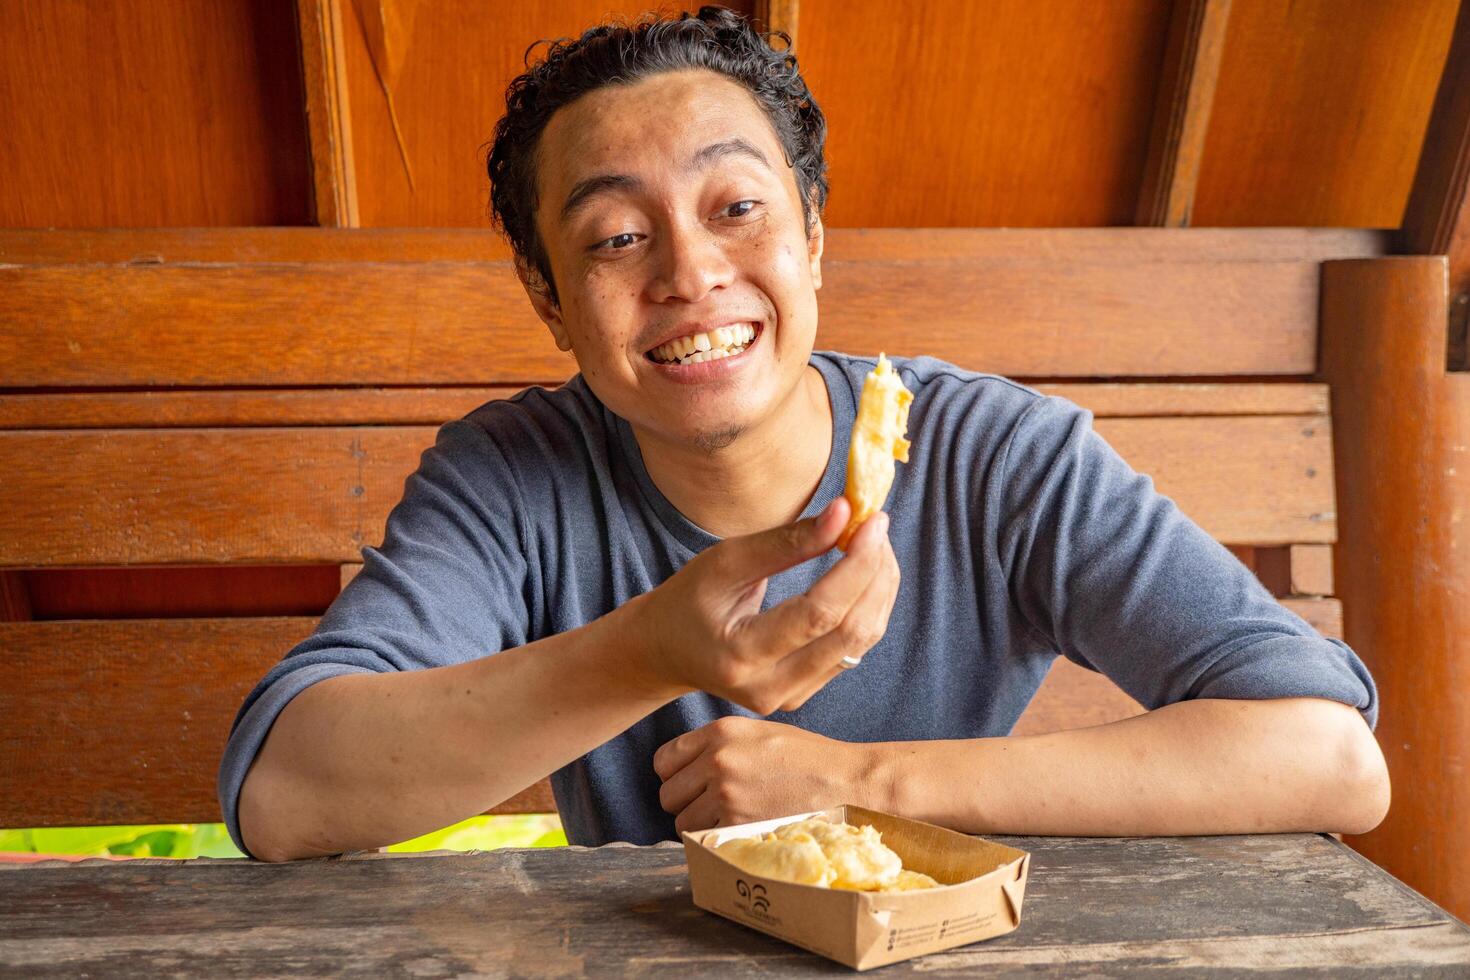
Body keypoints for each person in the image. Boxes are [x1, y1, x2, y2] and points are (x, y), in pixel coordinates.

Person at [220, 6, 1388, 863]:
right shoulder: (512, 478)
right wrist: (649, 652)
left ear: (814, 239)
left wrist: (857, 781)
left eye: (737, 209)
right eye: (617, 237)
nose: (690, 272)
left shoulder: (992, 453)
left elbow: (1326, 753)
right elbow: (283, 791)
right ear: (548, 299)